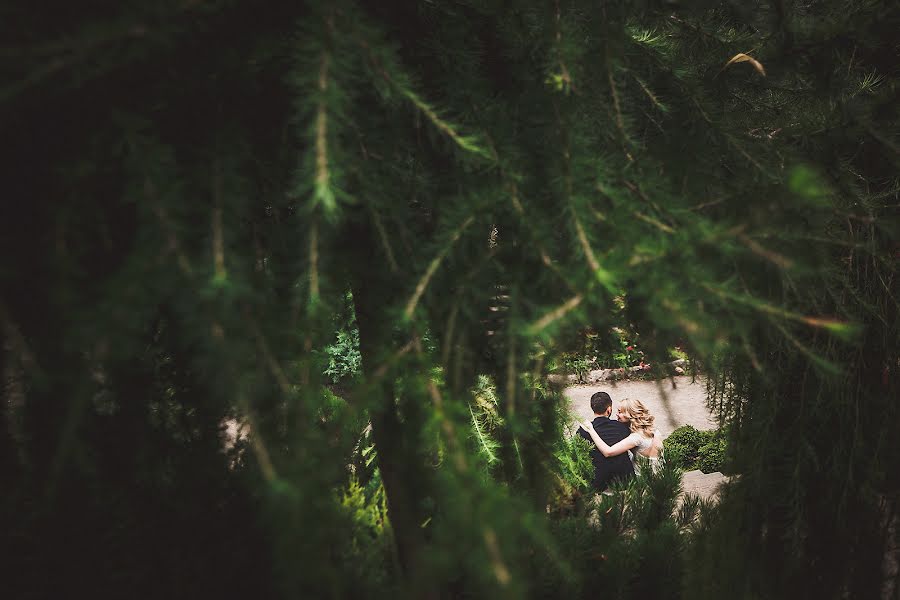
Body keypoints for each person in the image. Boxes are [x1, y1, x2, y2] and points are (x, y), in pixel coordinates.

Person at [581, 397, 663, 473]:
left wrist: (590, 429)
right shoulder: (653, 431)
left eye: (620, 412)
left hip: (641, 478)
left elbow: (608, 452)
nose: (616, 414)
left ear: (630, 414)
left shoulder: (636, 438)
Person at [576, 391, 634, 492]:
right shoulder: (621, 427)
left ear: (593, 408)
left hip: (599, 481)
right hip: (624, 478)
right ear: (609, 409)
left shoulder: (583, 431)